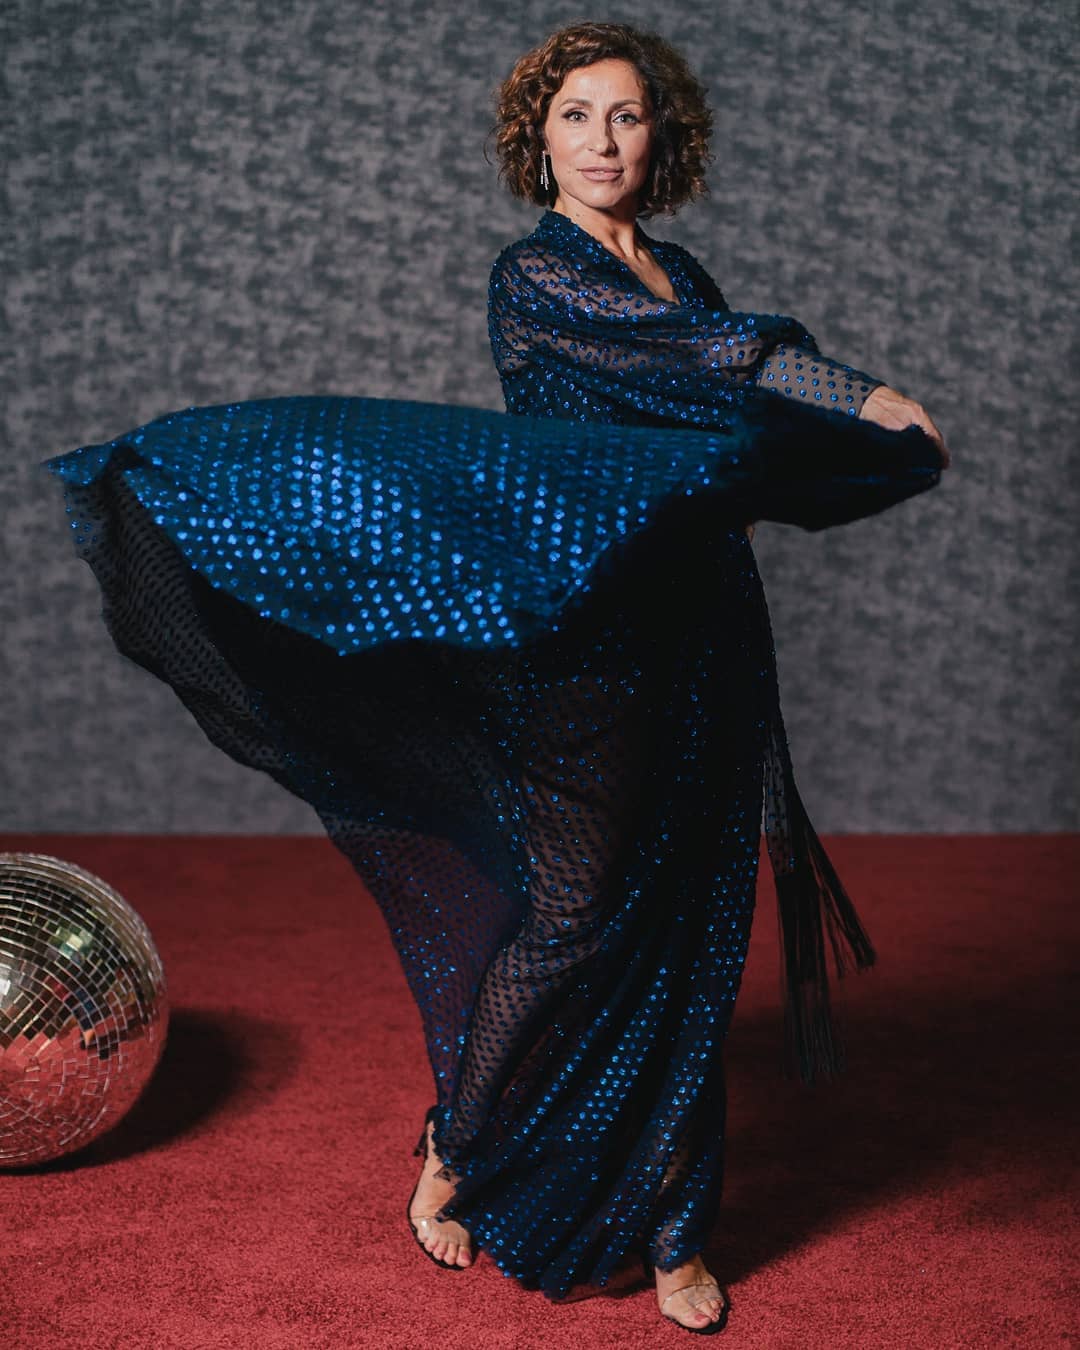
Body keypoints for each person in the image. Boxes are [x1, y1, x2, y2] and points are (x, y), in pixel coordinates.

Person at [45, 21, 946, 1338]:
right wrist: (859, 397)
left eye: (626, 115)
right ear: (540, 139)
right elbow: (721, 364)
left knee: (693, 921)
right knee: (578, 914)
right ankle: (459, 1143)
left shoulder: (680, 270)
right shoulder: (538, 278)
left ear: (663, 136)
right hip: (589, 642)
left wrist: (826, 447)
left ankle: (678, 1224)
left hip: (706, 630)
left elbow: (724, 421)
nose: (602, 141)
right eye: (576, 115)